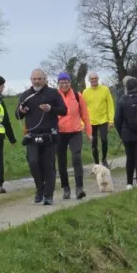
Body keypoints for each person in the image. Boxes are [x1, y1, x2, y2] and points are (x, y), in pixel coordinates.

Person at [16, 69, 67, 205]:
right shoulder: (26, 95)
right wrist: (21, 111)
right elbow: (17, 116)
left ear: (45, 79)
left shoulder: (53, 93)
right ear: (31, 80)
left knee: (48, 165)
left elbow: (64, 110)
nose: (37, 81)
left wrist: (51, 109)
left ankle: (48, 195)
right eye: (34, 79)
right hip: (32, 135)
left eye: (39, 79)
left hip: (49, 134)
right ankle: (40, 188)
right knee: (33, 163)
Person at [55, 72, 92, 200]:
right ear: (58, 84)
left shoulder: (77, 96)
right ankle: (66, 188)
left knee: (76, 158)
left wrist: (89, 133)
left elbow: (85, 116)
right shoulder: (55, 96)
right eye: (61, 83)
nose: (64, 85)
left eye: (66, 82)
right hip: (59, 133)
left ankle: (79, 188)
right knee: (61, 161)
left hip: (75, 132)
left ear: (70, 83)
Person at [82, 71, 115, 168]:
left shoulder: (105, 89)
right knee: (94, 143)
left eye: (95, 78)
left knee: (104, 140)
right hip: (91, 122)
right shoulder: (85, 92)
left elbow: (110, 105)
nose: (94, 80)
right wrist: (83, 123)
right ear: (89, 80)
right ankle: (96, 163)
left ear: (98, 78)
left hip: (103, 120)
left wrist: (111, 120)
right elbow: (83, 108)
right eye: (92, 79)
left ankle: (104, 159)